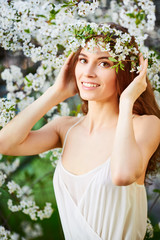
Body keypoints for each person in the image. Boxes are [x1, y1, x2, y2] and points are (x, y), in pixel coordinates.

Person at [0, 22, 160, 240]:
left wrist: (127, 102)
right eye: (83, 60)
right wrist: (56, 93)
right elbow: (5, 144)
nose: (88, 72)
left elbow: (123, 175)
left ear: (127, 71)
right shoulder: (65, 128)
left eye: (103, 63)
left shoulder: (145, 125)